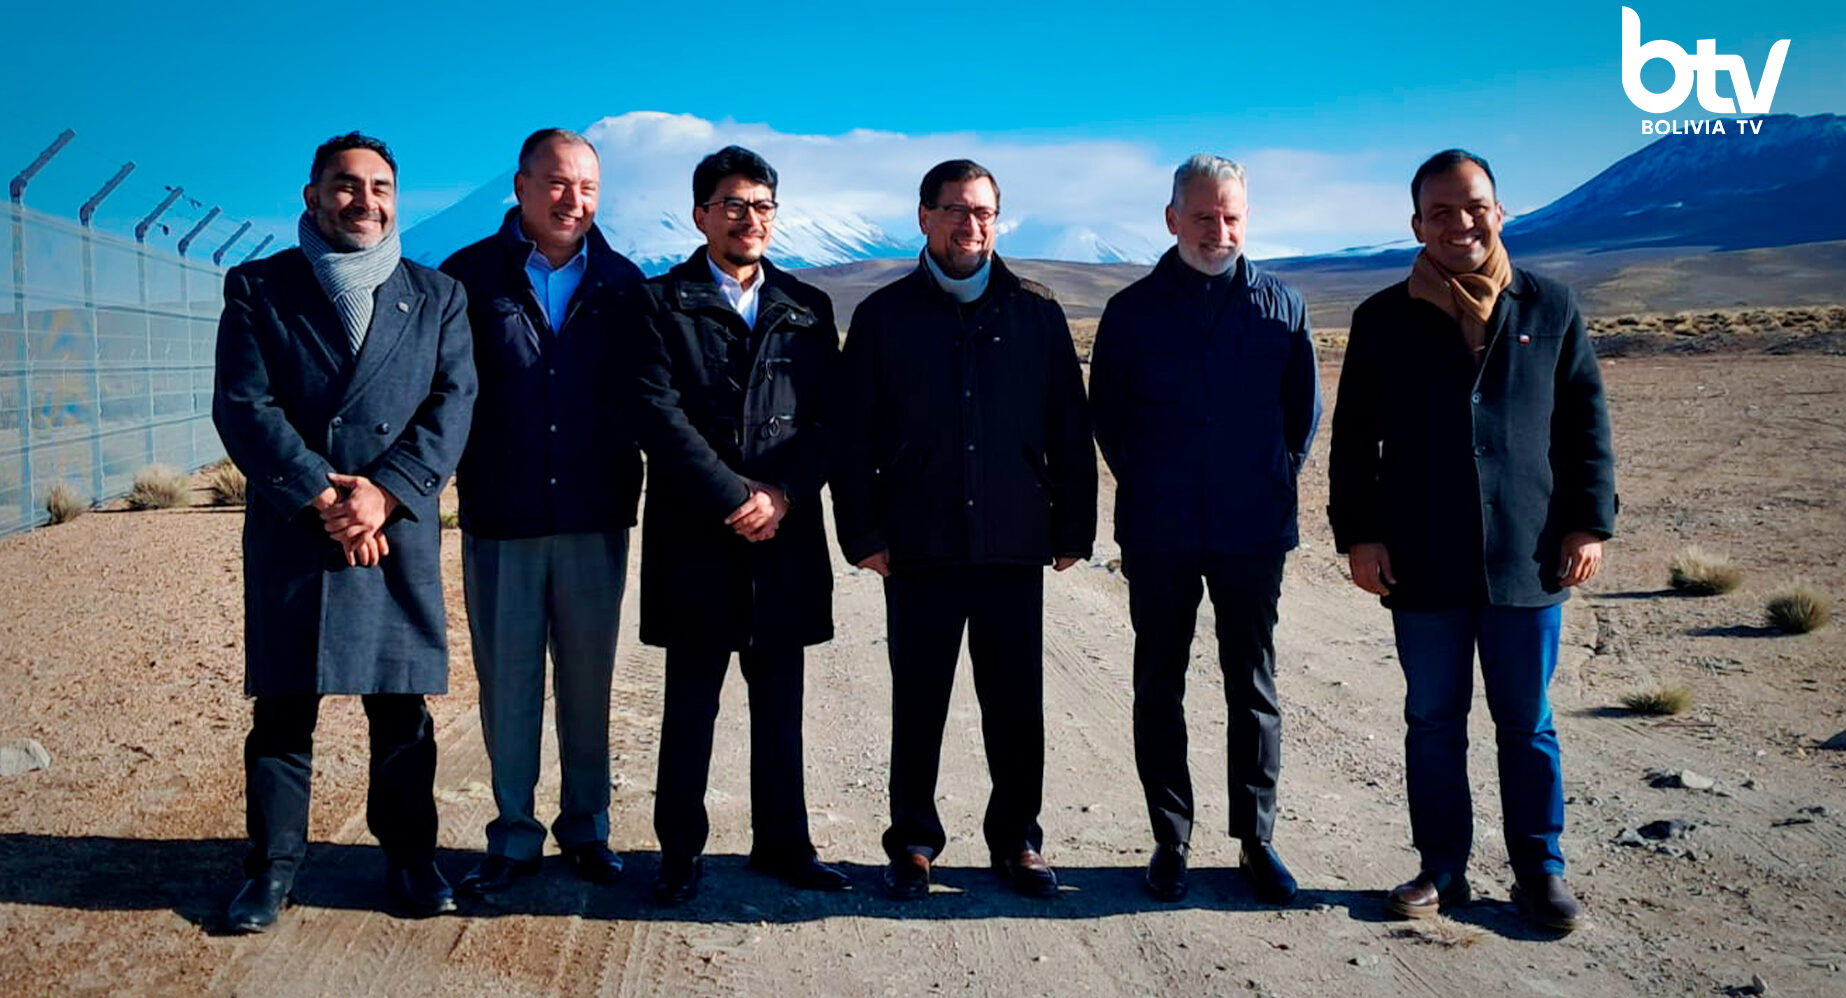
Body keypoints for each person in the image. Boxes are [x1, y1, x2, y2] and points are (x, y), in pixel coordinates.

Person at [1328, 149, 1617, 933]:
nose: (1460, 223)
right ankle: (1442, 868)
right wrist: (1360, 536)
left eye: (1475, 206)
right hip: (1421, 557)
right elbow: (1355, 440)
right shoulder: (1383, 318)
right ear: (1417, 223)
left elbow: (1584, 424)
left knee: (1527, 721)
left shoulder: (1549, 307)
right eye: (1442, 212)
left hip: (1528, 554)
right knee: (1433, 719)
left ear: (1500, 210)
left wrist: (1589, 521)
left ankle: (1539, 872)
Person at [212, 132, 477, 931]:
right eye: (346, 185)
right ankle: (272, 867)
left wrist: (386, 495)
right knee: (285, 709)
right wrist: (327, 498)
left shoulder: (437, 295)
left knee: (400, 710)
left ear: (398, 200)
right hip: (299, 527)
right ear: (313, 195)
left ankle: (408, 856)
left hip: (394, 531)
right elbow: (243, 406)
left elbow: (452, 403)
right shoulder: (259, 287)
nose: (364, 201)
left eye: (381, 187)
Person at [833, 159, 1096, 901]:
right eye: (954, 210)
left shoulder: (1036, 314)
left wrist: (1073, 525)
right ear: (923, 217)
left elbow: (1069, 431)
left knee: (1016, 702)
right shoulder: (885, 318)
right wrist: (863, 534)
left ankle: (1018, 841)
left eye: (983, 212)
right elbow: (854, 439)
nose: (969, 225)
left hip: (1014, 541)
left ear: (997, 220)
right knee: (919, 701)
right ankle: (913, 841)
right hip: (920, 545)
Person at [1089, 154, 1320, 904]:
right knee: (1160, 682)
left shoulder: (1281, 307)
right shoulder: (1131, 313)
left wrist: (1257, 480)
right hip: (1159, 530)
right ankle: (1171, 839)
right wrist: (1159, 481)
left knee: (1251, 683)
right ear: (1172, 219)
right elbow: (1110, 422)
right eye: (1202, 217)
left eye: (1230, 218)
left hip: (1253, 529)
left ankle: (1256, 840)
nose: (1217, 231)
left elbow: (1300, 420)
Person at [626, 145, 849, 904]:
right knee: (690, 704)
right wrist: (732, 495)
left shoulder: (807, 307)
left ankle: (784, 843)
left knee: (781, 702)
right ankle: (680, 852)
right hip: (698, 535)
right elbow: (656, 413)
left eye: (761, 206)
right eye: (731, 205)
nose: (748, 219)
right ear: (700, 215)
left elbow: (831, 422)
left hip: (782, 537)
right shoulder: (660, 303)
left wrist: (781, 493)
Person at [438, 128, 645, 895]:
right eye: (558, 184)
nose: (573, 201)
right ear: (520, 187)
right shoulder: (465, 279)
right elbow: (443, 394)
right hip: (502, 516)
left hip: (595, 515)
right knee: (509, 683)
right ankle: (514, 835)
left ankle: (587, 828)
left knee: (589, 684)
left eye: (587, 187)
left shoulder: (624, 284)